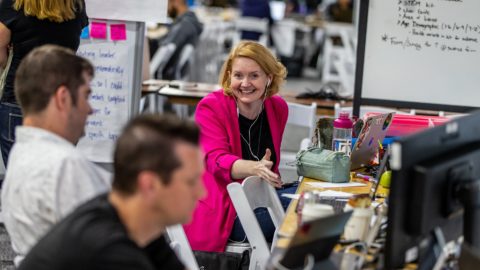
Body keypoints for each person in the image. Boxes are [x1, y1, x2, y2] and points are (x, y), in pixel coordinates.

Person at [18, 114, 206, 270]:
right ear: (149, 185)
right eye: (191, 181)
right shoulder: (111, 255)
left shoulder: (139, 225)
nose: (202, 192)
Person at [1, 45, 111, 265]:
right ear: (63, 98)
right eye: (86, 96)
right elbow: (106, 245)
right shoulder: (64, 164)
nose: (90, 109)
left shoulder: (21, 153)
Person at [184, 41, 295, 252]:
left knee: (309, 199)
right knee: (304, 208)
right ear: (229, 77)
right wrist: (255, 167)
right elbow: (216, 160)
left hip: (259, 200)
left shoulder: (277, 107)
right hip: (225, 214)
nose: (245, 83)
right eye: (238, 75)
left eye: (254, 75)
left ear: (269, 78)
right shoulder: (211, 107)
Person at [0, 0, 88, 166]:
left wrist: (7, 61)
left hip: (20, 101)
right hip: (62, 103)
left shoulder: (14, 4)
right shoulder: (75, 5)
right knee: (57, 177)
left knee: (22, 179)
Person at [157, 0, 203, 80]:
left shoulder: (184, 25)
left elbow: (164, 48)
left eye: (168, 2)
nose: (167, 8)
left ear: (177, 1)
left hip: (166, 76)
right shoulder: (191, 22)